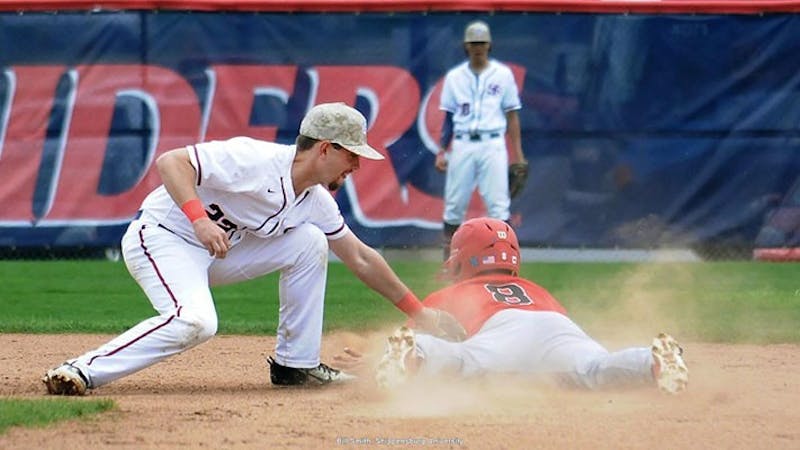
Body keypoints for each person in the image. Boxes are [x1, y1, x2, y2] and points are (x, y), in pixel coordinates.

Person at [42, 102, 465, 396]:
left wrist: (419, 312)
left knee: (310, 242)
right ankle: (81, 370)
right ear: (325, 148)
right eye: (352, 155)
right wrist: (199, 218)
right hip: (163, 238)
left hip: (217, 252)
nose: (356, 166)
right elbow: (172, 162)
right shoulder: (254, 159)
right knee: (197, 323)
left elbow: (360, 256)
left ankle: (294, 366)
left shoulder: (315, 200)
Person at [361, 217, 689, 394]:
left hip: (500, 332)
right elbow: (559, 323)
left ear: (464, 258)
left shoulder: (458, 292)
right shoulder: (534, 288)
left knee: (465, 362)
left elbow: (412, 326)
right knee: (594, 367)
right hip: (556, 326)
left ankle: (414, 354)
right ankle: (652, 361)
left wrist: (385, 350)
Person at [436, 20, 526, 259]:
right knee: (454, 206)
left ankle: (503, 258)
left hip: (493, 143)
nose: (478, 48)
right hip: (463, 143)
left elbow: (512, 116)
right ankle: (450, 262)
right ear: (466, 46)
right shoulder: (455, 77)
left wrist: (518, 155)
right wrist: (441, 151)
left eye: (482, 43)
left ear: (489, 45)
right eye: (473, 43)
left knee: (499, 206)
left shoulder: (503, 74)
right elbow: (448, 119)